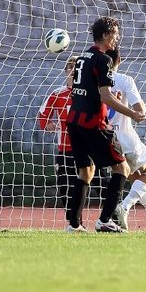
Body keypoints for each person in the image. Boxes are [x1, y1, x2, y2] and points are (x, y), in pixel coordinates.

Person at [65, 16, 146, 233]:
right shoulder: (103, 60)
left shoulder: (82, 58)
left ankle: (73, 224)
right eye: (115, 34)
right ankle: (104, 220)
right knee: (122, 168)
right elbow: (106, 97)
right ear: (105, 35)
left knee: (86, 171)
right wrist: (133, 113)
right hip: (93, 123)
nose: (116, 39)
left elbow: (76, 86)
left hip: (74, 121)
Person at [104, 48, 146, 231]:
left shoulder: (95, 81)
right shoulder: (124, 80)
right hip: (126, 140)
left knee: (137, 181)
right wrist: (140, 112)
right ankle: (124, 207)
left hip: (105, 141)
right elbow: (138, 106)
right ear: (120, 59)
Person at [37, 56, 109, 221]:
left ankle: (111, 218)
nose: (74, 72)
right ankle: (74, 223)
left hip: (90, 148)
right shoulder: (57, 94)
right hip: (66, 149)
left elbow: (104, 114)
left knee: (103, 184)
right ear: (66, 72)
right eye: (71, 68)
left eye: (78, 69)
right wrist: (47, 124)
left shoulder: (92, 93)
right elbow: (42, 114)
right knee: (66, 188)